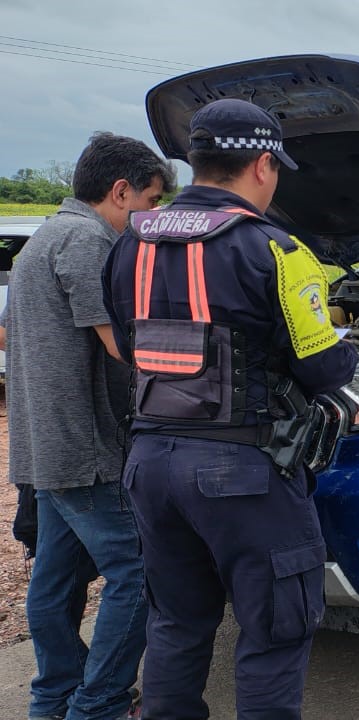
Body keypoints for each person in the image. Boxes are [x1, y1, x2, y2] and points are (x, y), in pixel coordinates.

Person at [102, 98, 358, 719]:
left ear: (194, 160)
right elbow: (324, 370)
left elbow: (131, 347)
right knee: (275, 631)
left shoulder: (127, 245)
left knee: (177, 625)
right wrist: (345, 339)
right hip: (242, 473)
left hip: (150, 466)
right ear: (264, 165)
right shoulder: (279, 251)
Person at [4, 132, 174, 720]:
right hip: (86, 447)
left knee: (56, 578)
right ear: (120, 191)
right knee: (142, 574)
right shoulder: (88, 239)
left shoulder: (42, 239)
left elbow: (11, 333)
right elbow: (125, 347)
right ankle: (99, 704)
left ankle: (52, 699)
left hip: (42, 444)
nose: (151, 217)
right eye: (151, 202)